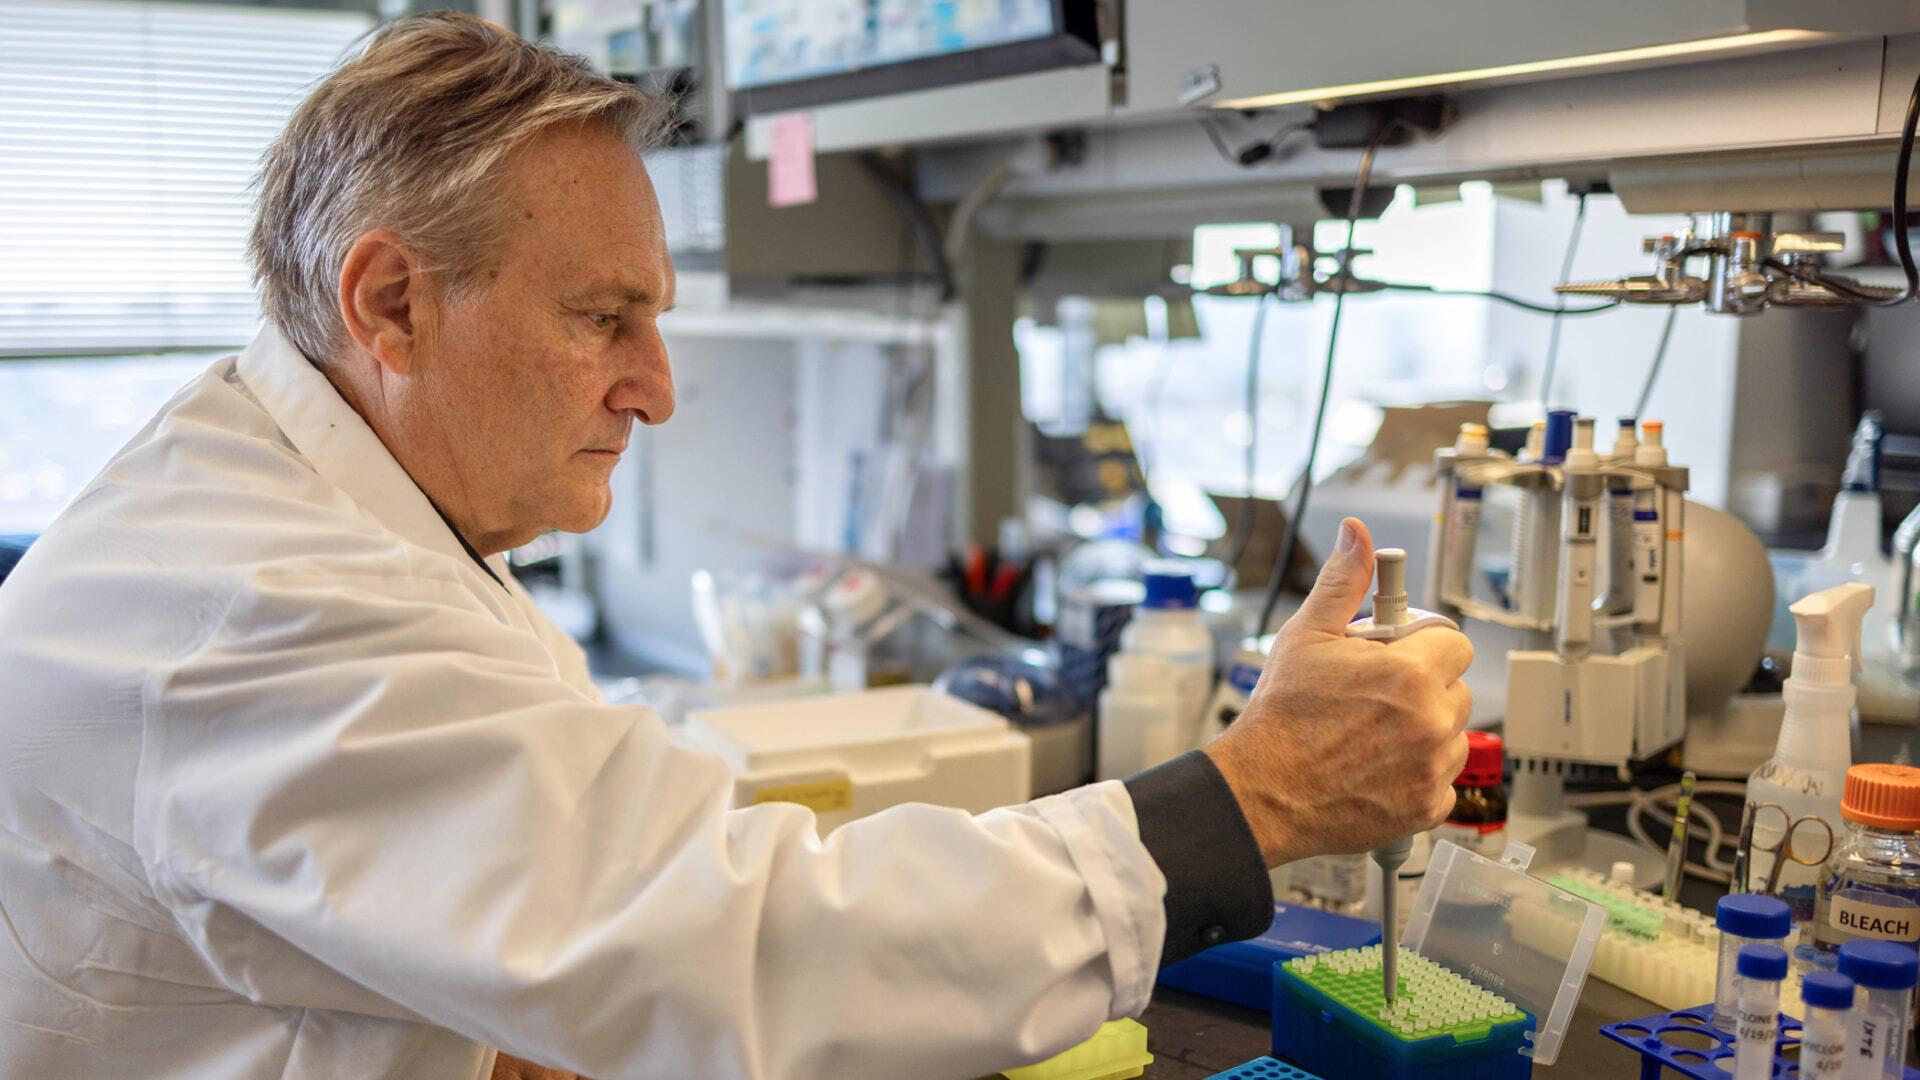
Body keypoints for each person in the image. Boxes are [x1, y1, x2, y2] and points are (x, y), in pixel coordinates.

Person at [0, 13, 1473, 1080]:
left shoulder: (318, 490)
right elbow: (745, 941)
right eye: (602, 319)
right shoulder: (262, 606)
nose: (654, 386)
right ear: (389, 305)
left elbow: (506, 904)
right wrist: (1256, 797)